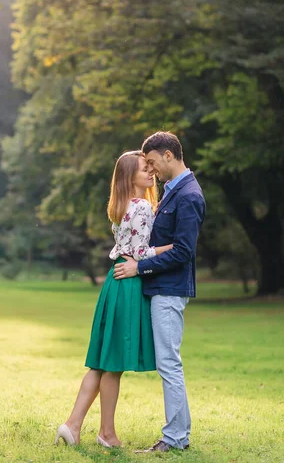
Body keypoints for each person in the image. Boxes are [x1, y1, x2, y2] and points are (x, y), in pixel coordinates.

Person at [55, 150, 173, 448]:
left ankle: (72, 426)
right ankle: (105, 433)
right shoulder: (144, 207)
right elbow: (142, 253)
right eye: (144, 169)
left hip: (114, 281)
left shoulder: (121, 206)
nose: (150, 173)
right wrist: (170, 247)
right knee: (113, 364)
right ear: (128, 176)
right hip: (129, 282)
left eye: (150, 168)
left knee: (102, 362)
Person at [114, 131, 206, 453]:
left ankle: (175, 439)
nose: (151, 170)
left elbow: (183, 251)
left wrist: (139, 267)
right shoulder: (171, 191)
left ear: (169, 155)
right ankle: (178, 435)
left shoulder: (189, 196)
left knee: (169, 363)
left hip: (170, 289)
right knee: (169, 362)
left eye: (152, 162)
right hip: (160, 287)